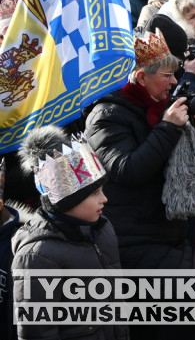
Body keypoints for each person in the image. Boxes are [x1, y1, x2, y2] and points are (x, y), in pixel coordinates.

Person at [86, 30, 195, 340]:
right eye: (168, 75)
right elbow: (127, 169)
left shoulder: (160, 106)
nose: (175, 82)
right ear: (141, 77)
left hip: (169, 230)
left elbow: (184, 165)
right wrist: (168, 127)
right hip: (135, 238)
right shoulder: (107, 114)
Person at [14, 127, 122, 340]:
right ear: (67, 200)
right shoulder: (37, 256)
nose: (105, 199)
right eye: (94, 193)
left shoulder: (102, 227)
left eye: (102, 190)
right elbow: (37, 332)